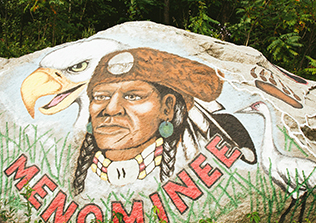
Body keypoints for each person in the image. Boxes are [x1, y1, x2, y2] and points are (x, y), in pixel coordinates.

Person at [73, 48, 257, 195]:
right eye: (101, 96)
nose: (111, 109)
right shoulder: (84, 171)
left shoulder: (185, 155)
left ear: (167, 108)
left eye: (133, 96)